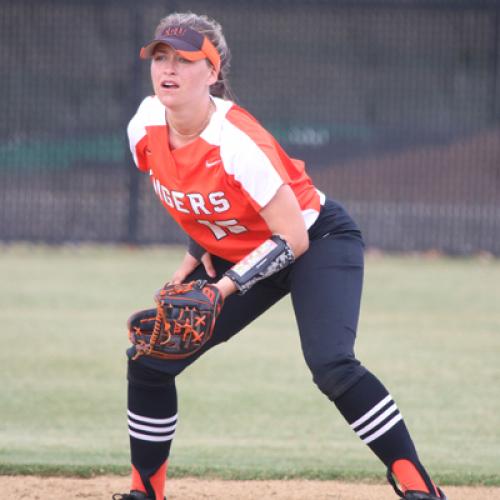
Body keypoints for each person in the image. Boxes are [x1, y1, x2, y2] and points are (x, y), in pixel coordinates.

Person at [113, 12, 446, 500]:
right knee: (150, 361)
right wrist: (193, 255)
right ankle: (147, 492)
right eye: (161, 56)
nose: (170, 67)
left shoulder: (239, 142)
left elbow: (292, 237)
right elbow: (198, 195)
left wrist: (219, 290)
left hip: (316, 241)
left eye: (185, 59)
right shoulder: (144, 125)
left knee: (331, 364)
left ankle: (420, 487)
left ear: (213, 71)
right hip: (249, 248)